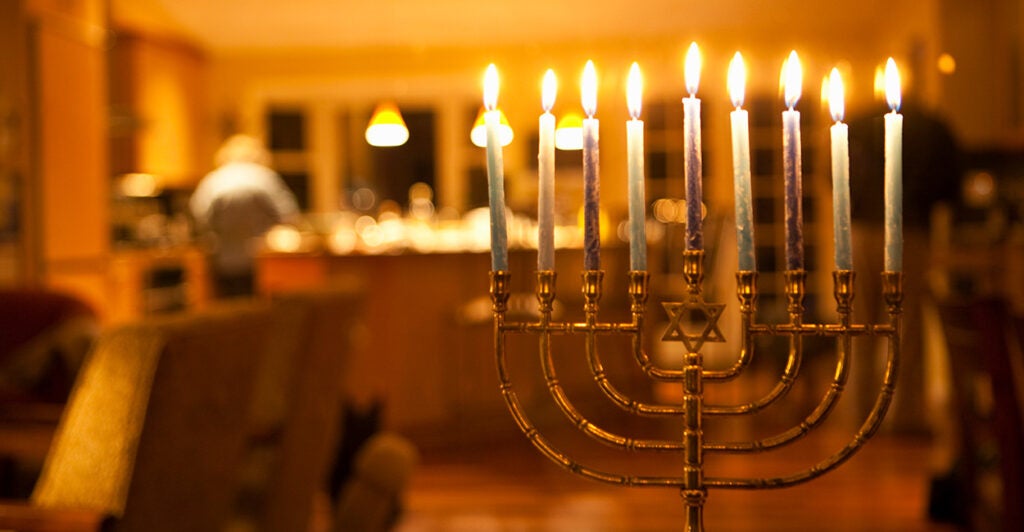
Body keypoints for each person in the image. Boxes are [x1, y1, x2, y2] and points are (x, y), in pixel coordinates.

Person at [190, 135, 299, 298]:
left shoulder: (213, 180)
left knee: (228, 312)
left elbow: (198, 217)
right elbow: (289, 215)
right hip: (261, 261)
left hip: (222, 261)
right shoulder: (265, 177)